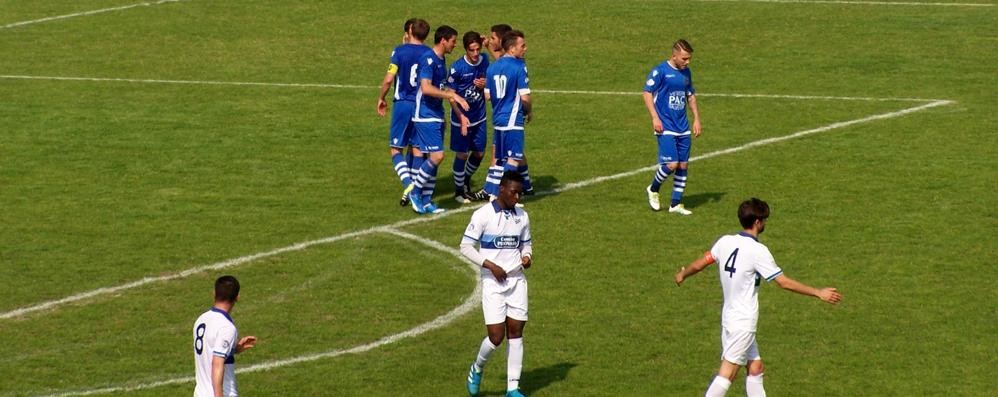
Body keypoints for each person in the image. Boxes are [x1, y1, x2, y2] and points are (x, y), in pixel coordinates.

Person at [673, 198, 842, 397]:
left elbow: (702, 262)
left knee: (755, 368)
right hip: (743, 322)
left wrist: (683, 274)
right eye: (764, 220)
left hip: (729, 318)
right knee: (727, 374)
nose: (765, 223)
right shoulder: (757, 251)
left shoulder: (725, 241)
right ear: (757, 222)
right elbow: (783, 282)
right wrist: (818, 292)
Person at [461, 171, 533, 397]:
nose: (517, 197)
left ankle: (513, 388)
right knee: (496, 337)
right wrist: (491, 266)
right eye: (514, 192)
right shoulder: (483, 215)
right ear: (502, 189)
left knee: (516, 332)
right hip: (493, 283)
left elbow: (526, 244)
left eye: (520, 193)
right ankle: (477, 367)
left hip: (516, 281)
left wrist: (527, 257)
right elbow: (465, 246)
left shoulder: (522, 216)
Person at [408, 25, 470, 214]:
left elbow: (445, 90)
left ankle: (426, 201)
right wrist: (452, 96)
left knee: (433, 158)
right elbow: (426, 88)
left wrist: (460, 114)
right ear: (443, 40)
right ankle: (415, 192)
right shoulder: (428, 59)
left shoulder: (441, 60)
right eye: (453, 41)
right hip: (425, 115)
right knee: (437, 156)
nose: (454, 45)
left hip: (436, 115)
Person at [643, 39, 702, 215]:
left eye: (689, 58)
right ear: (674, 55)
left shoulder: (686, 73)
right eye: (684, 58)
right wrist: (654, 118)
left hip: (682, 126)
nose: (687, 62)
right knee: (672, 164)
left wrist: (697, 119)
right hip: (665, 125)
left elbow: (690, 96)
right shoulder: (660, 71)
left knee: (683, 165)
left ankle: (675, 204)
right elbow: (646, 93)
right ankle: (653, 189)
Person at [377, 18, 431, 207]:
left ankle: (408, 185)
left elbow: (389, 78)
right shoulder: (429, 53)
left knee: (395, 149)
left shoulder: (399, 51)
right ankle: (415, 193)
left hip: (403, 105)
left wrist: (381, 98)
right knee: (417, 149)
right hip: (421, 106)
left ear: (409, 31)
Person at [482, 30, 534, 200]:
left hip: (498, 119)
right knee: (513, 159)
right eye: (522, 46)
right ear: (512, 49)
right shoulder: (519, 67)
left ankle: (492, 190)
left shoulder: (492, 67)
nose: (525, 49)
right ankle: (500, 194)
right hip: (513, 119)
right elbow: (525, 97)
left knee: (500, 158)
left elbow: (487, 96)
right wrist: (528, 111)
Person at [193, 275, 258, 397]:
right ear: (237, 297)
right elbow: (217, 364)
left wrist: (234, 349)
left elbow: (209, 351)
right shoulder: (226, 327)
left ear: (214, 293)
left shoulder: (201, 320)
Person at [447, 31, 491, 203]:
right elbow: (450, 96)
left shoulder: (485, 60)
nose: (475, 54)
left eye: (478, 49)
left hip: (479, 116)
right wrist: (461, 118)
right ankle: (459, 192)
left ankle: (464, 180)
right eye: (471, 50)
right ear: (465, 49)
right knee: (462, 154)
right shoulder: (457, 68)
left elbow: (490, 80)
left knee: (479, 153)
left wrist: (485, 83)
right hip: (461, 118)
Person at [477, 24, 514, 198]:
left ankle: (491, 190)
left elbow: (502, 68)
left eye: (493, 38)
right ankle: (526, 185)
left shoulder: (512, 62)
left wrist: (488, 85)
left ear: (502, 40)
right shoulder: (509, 60)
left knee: (499, 152)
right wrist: (489, 47)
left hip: (508, 115)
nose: (490, 40)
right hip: (506, 115)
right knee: (515, 152)